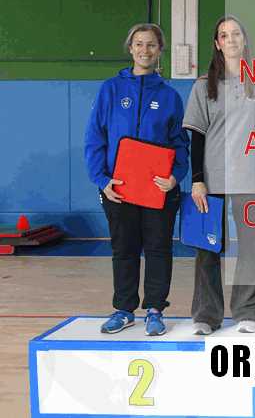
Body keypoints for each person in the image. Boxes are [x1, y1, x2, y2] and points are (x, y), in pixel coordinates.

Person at [85, 23, 189, 336]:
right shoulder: (110, 90)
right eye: (139, 44)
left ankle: (155, 310)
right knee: (124, 250)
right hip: (119, 190)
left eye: (151, 45)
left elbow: (180, 144)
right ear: (130, 48)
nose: (145, 50)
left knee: (158, 250)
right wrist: (102, 179)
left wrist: (175, 177)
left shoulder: (170, 97)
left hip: (158, 191)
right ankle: (124, 310)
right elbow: (95, 137)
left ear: (160, 51)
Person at [183, 15, 255, 334]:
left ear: (244, 40)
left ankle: (248, 311)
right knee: (208, 247)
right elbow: (196, 136)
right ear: (217, 44)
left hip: (249, 177)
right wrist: (197, 180)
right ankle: (206, 315)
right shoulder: (202, 86)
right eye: (224, 35)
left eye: (236, 33)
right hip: (213, 178)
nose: (231, 39)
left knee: (250, 246)